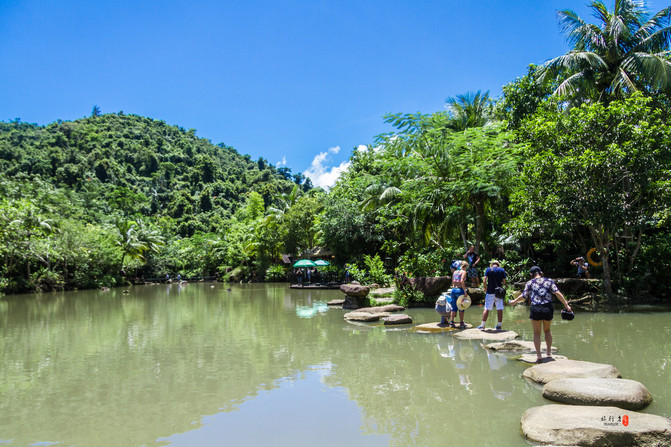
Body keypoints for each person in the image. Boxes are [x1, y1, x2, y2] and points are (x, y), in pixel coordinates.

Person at [509, 266, 573, 364]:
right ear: (541, 272)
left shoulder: (529, 283)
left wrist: (515, 301)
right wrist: (566, 305)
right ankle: (548, 352)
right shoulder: (549, 281)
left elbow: (524, 296)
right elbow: (557, 293)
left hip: (536, 309)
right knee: (547, 330)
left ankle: (539, 355)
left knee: (536, 333)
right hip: (547, 308)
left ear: (531, 274)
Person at [478, 260, 507, 331]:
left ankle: (483, 325)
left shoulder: (488, 269)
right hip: (498, 292)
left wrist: (485, 288)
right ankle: (499, 326)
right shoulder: (502, 270)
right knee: (499, 308)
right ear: (498, 265)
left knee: (487, 308)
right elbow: (504, 281)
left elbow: (484, 280)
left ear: (492, 264)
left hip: (490, 291)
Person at [449, 261, 469, 328]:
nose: (466, 269)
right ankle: (461, 322)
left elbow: (453, 282)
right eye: (466, 267)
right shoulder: (463, 272)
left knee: (454, 307)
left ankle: (451, 322)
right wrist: (465, 291)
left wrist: (455, 286)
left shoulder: (455, 272)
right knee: (461, 307)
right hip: (460, 290)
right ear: (464, 266)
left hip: (454, 290)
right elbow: (462, 281)